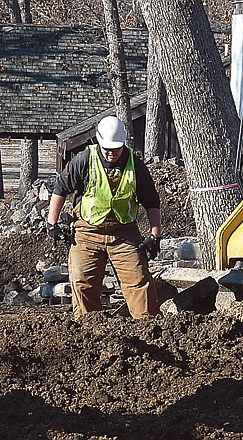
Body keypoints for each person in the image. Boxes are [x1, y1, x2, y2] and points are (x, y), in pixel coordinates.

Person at [46, 115, 161, 319]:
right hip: (87, 232)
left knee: (139, 282)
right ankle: (89, 330)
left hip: (124, 233)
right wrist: (51, 224)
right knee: (82, 281)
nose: (111, 153)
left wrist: (154, 236)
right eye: (107, 149)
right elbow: (61, 188)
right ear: (99, 142)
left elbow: (152, 200)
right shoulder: (84, 160)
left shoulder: (135, 165)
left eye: (115, 149)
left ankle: (148, 328)